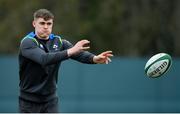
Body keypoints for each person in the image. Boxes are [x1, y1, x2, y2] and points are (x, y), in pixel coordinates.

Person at [18, 8, 113, 113]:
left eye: (49, 23)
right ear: (34, 23)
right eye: (42, 23)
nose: (46, 27)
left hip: (50, 100)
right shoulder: (27, 42)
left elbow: (79, 54)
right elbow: (44, 59)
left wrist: (94, 58)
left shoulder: (58, 41)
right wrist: (71, 51)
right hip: (28, 101)